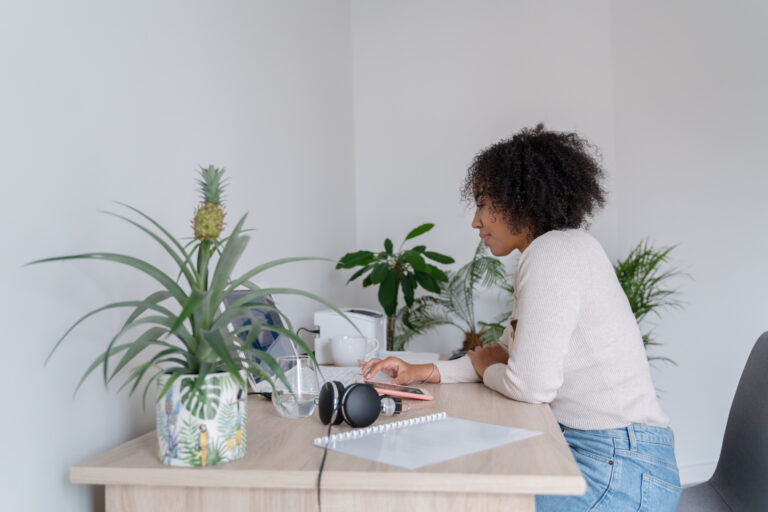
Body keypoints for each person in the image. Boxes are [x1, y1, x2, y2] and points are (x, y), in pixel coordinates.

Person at [360, 124, 681, 512]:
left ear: (517, 201)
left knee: (465, 500)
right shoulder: (559, 250)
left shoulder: (552, 255)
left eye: (482, 204)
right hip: (619, 456)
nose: (476, 222)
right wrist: (420, 371)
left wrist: (487, 366)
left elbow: (529, 385)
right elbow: (503, 353)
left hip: (621, 470)